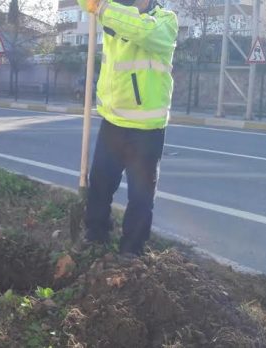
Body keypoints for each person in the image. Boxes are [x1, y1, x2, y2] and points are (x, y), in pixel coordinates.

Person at [77, 0, 178, 257]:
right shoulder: (112, 12)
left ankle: (131, 251)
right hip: (113, 122)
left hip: (147, 128)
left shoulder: (166, 21)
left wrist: (102, 8)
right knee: (99, 184)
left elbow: (143, 31)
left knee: (141, 197)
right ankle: (95, 237)